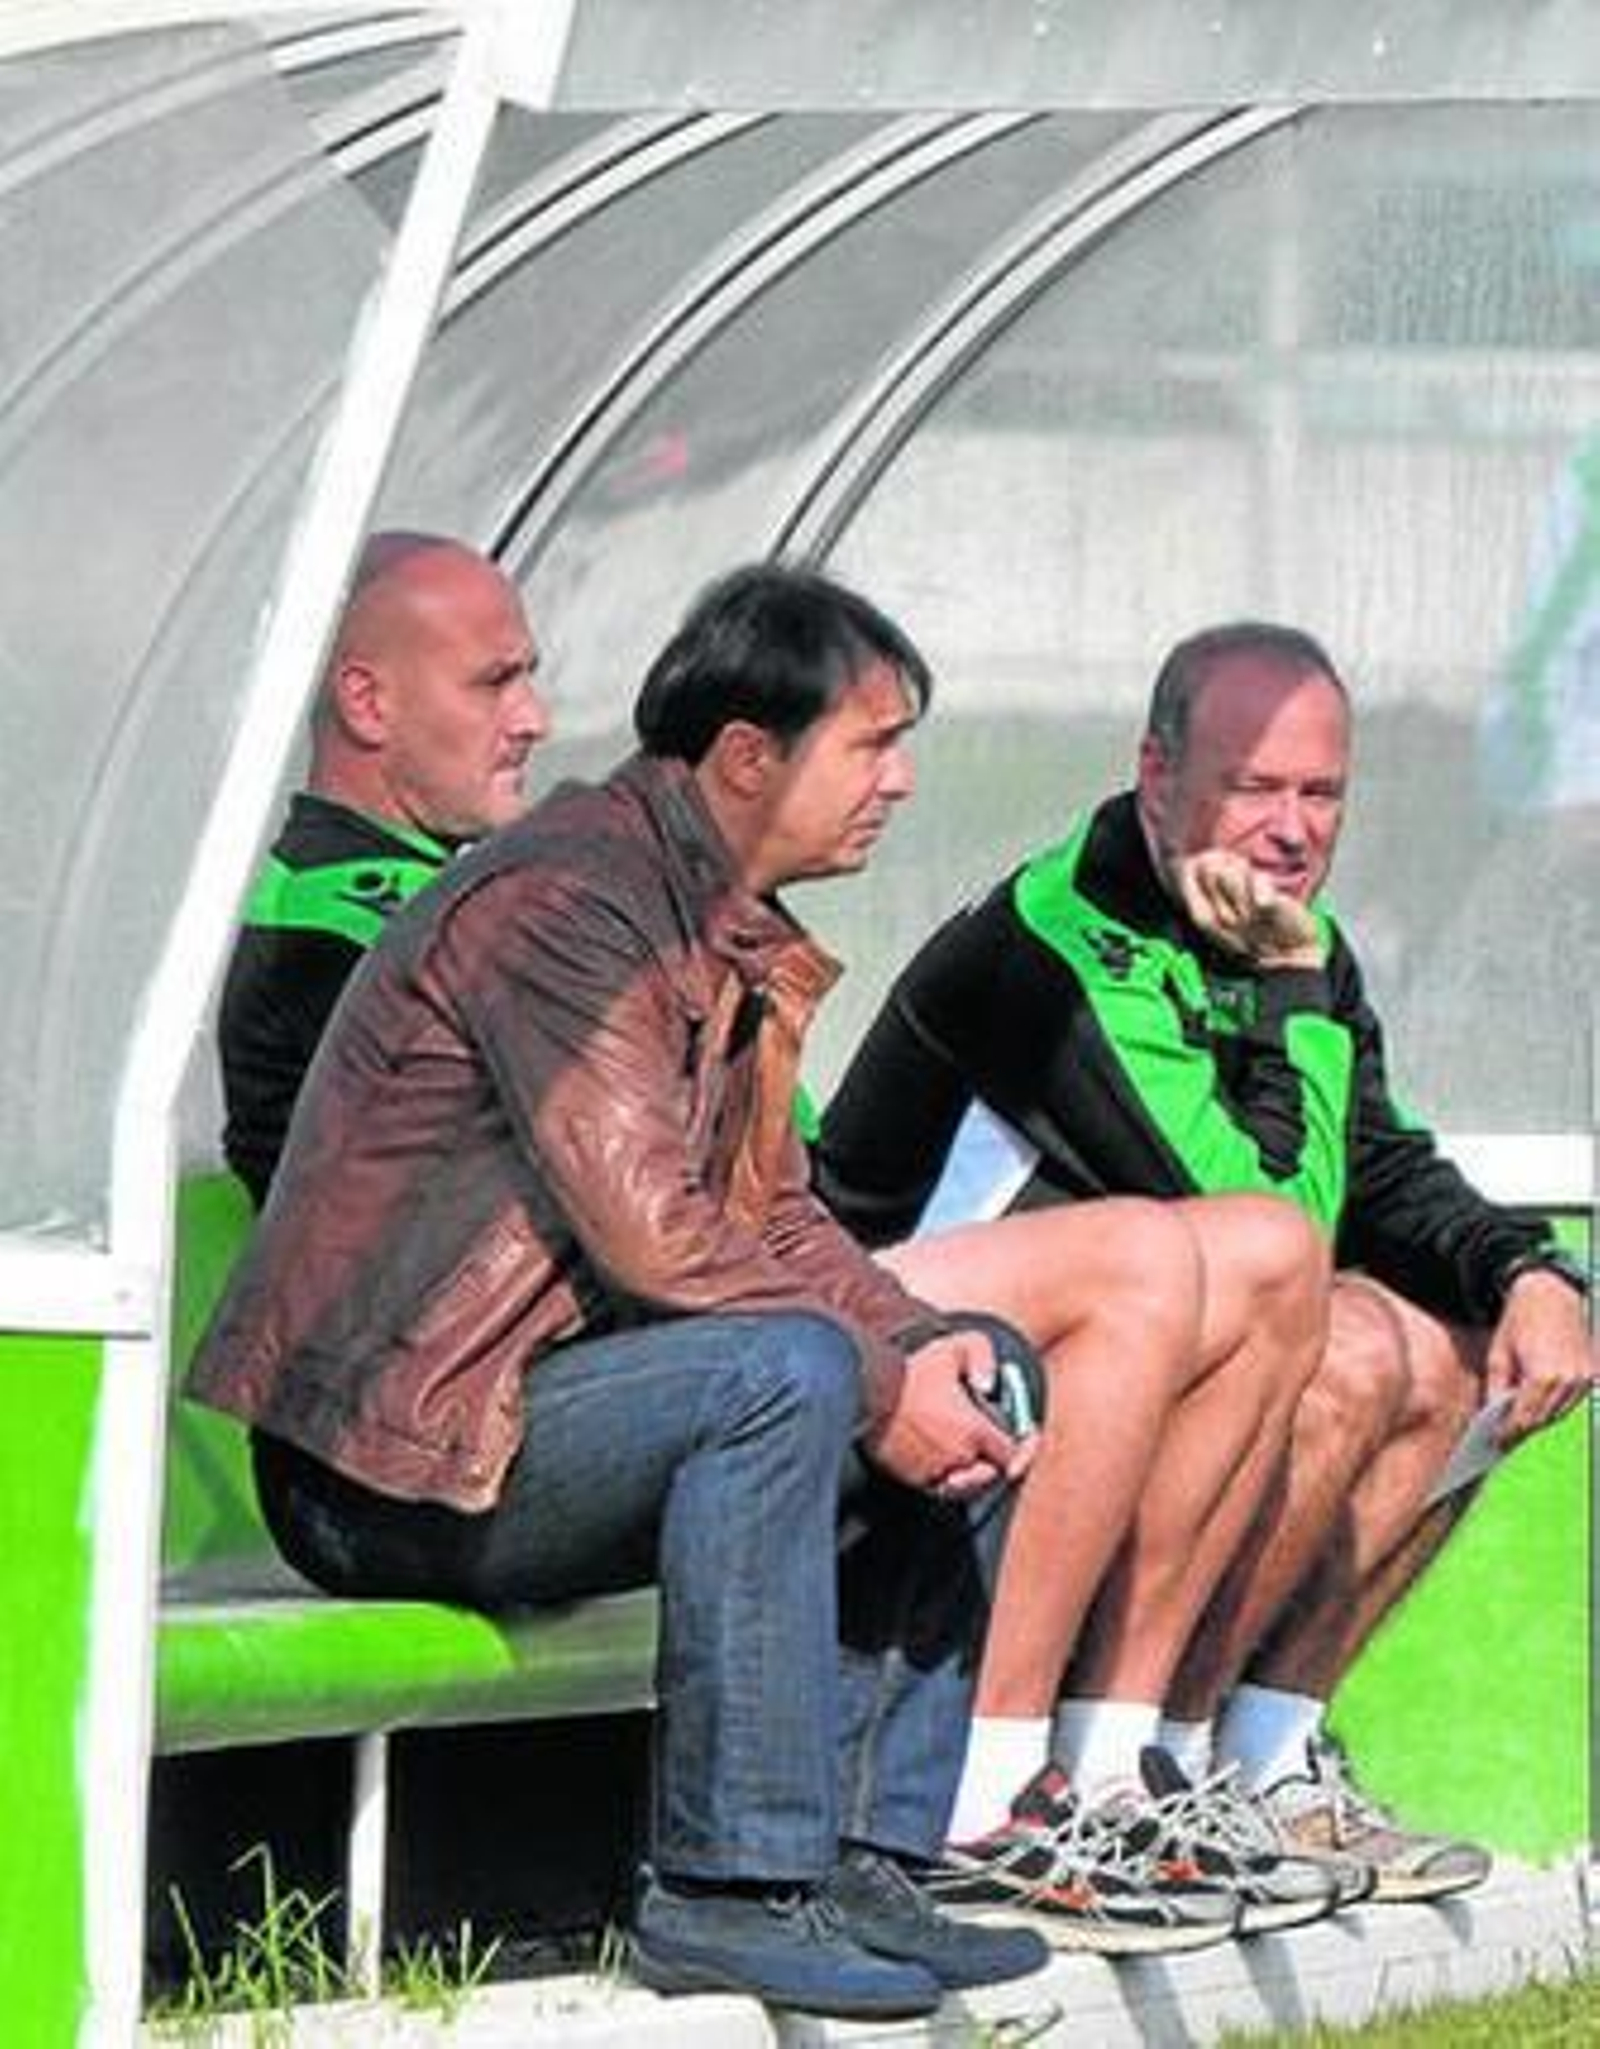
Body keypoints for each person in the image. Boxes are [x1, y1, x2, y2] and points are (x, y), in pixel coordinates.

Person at [212, 542, 1343, 1951]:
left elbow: (774, 1214)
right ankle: (730, 1888)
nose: (902, 781)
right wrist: (880, 1375)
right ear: (750, 756)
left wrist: (924, 1354)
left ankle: (876, 1860)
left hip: (525, 1419)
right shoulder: (568, 904)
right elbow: (658, 1231)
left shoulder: (711, 921)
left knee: (968, 1366)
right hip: (384, 1465)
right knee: (794, 1372)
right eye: (872, 744)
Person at [816, 619, 1597, 1903]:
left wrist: (1533, 1274)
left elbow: (1378, 1165)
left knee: (1455, 1351)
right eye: (1254, 788)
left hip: (1105, 1375)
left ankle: (1239, 1765)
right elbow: (1275, 1219)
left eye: (1321, 793)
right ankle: (1070, 1773)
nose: (1292, 829)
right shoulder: (1063, 947)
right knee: (1320, 1312)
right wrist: (1291, 987)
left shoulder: (1293, 938)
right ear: (1157, 772)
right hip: (903, 1372)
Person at [219, 530, 550, 1206]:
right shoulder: (335, 931)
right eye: (494, 681)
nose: (533, 720)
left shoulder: (410, 903)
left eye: (528, 678)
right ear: (368, 704)